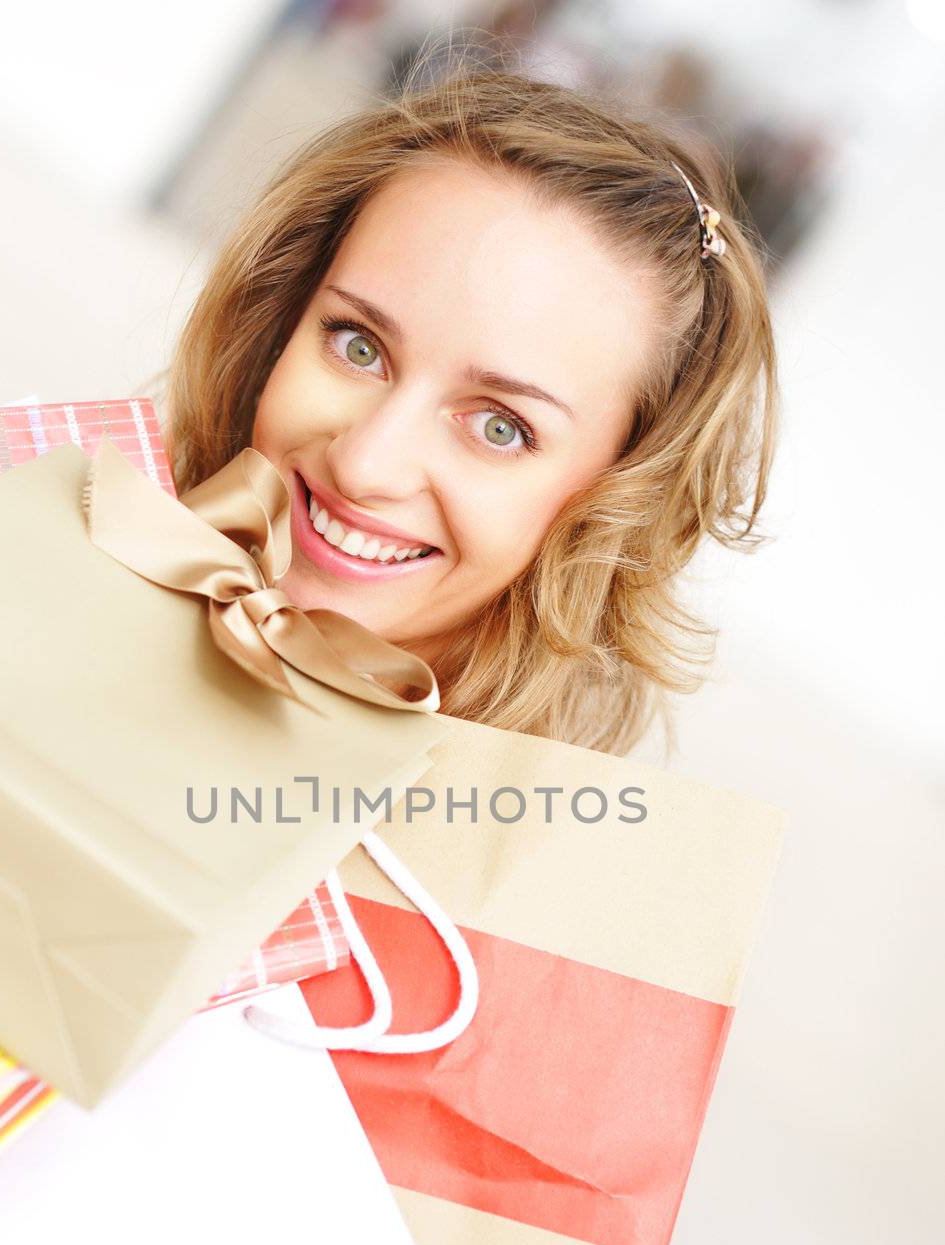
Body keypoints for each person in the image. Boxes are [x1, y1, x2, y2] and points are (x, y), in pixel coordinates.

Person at [163, 65, 777, 755]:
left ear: (623, 499)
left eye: (499, 427)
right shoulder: (44, 561)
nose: (365, 465)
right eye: (358, 347)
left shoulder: (525, 849)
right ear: (280, 322)